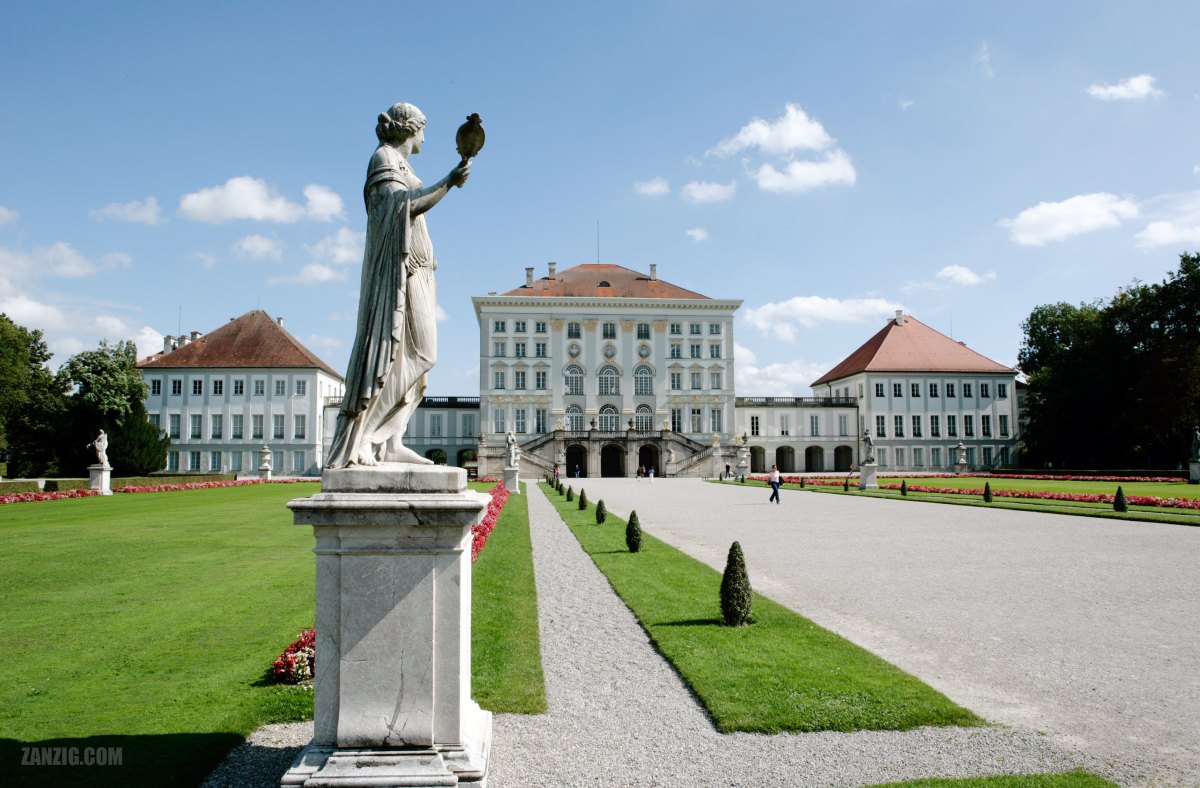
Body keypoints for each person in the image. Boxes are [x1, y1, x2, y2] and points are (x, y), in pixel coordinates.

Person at [326, 102, 470, 468]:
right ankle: (366, 435)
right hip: (400, 270)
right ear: (410, 128)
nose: (426, 135)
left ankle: (391, 442)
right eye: (423, 127)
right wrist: (449, 183)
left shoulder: (402, 164)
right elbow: (400, 206)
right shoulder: (384, 159)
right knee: (419, 352)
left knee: (415, 358)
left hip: (420, 268)